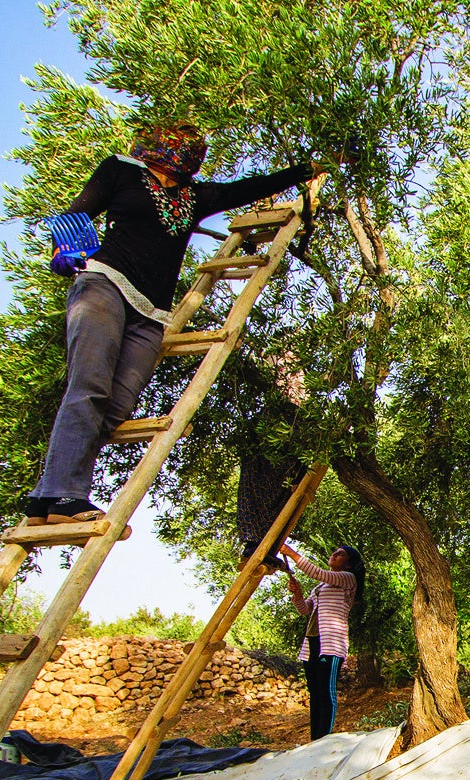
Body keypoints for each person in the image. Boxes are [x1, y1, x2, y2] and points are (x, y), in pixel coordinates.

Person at [23, 123, 316, 525]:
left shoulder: (194, 197)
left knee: (118, 404)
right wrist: (65, 251)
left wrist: (311, 168)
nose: (186, 152)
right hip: (104, 285)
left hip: (152, 313)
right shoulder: (121, 170)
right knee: (89, 386)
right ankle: (65, 494)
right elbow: (77, 214)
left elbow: (247, 187)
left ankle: (47, 494)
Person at [281, 541, 360, 740]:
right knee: (315, 694)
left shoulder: (348, 579)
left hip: (331, 646)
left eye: (340, 554)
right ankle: (314, 739)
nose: (334, 554)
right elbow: (304, 610)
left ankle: (323, 739)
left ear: (348, 564)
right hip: (312, 643)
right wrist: (297, 594)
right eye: (334, 552)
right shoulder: (320, 587)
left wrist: (290, 552)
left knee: (326, 693)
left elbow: (318, 573)